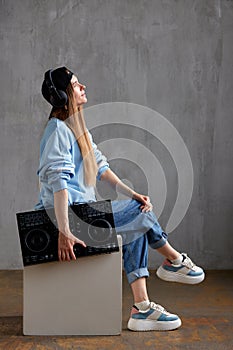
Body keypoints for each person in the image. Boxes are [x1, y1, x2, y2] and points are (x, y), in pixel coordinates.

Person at [35, 66, 205, 332]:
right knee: (140, 212)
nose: (83, 87)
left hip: (82, 213)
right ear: (63, 95)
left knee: (137, 220)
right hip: (64, 218)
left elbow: (101, 167)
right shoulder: (57, 130)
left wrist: (131, 193)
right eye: (77, 85)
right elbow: (59, 184)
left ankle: (142, 308)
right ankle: (173, 260)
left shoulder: (77, 130)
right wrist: (64, 231)